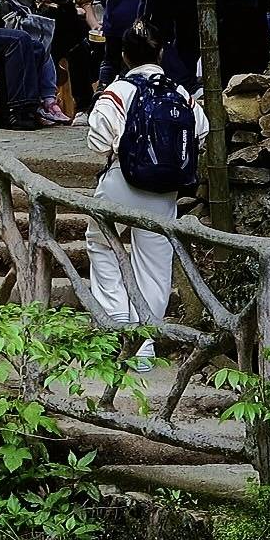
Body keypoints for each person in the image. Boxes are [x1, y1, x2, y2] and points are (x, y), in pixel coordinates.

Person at [86, 27, 186, 330]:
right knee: (154, 264)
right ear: (161, 53)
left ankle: (116, 321)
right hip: (165, 190)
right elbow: (203, 131)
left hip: (122, 181)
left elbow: (98, 141)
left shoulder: (118, 90)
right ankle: (145, 341)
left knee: (101, 242)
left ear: (124, 56)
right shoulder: (179, 92)